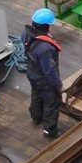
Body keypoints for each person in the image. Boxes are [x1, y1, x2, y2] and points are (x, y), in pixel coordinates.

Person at [22, 8, 62, 139]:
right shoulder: (46, 48)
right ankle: (50, 131)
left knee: (36, 95)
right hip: (44, 79)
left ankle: (36, 117)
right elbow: (49, 70)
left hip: (32, 72)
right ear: (47, 26)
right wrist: (58, 85)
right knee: (52, 103)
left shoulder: (26, 34)